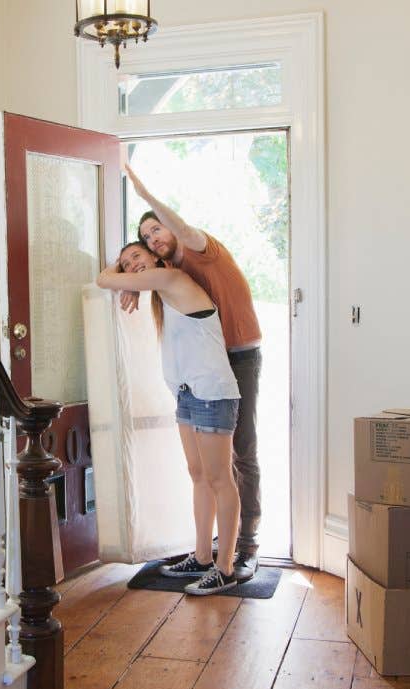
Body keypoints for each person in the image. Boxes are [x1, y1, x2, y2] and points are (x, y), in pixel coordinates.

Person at [122, 164, 263, 581]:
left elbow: (179, 230)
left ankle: (245, 546)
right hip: (207, 366)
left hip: (240, 355)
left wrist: (147, 197)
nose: (154, 238)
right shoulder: (173, 273)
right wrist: (135, 280)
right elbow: (148, 275)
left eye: (156, 230)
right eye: (146, 238)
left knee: (242, 451)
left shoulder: (201, 248)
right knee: (207, 467)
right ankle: (213, 549)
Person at [97, 240, 242, 596]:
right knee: (198, 475)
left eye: (136, 257)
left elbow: (103, 280)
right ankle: (203, 556)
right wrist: (131, 282)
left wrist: (121, 279)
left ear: (157, 258)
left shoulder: (173, 279)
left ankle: (225, 568)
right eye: (125, 262)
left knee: (219, 478)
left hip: (212, 392)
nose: (131, 265)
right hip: (189, 393)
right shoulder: (161, 293)